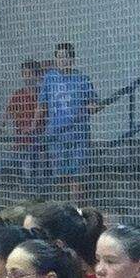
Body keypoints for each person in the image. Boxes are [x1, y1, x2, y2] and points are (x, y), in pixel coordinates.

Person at [38, 42, 99, 198]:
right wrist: (34, 125)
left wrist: (93, 107)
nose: (62, 60)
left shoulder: (82, 79)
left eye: (65, 56)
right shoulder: (49, 78)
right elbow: (42, 104)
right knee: (60, 176)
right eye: (59, 57)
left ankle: (77, 210)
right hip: (56, 134)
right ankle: (64, 209)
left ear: (72, 59)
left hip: (78, 135)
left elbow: (93, 103)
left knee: (77, 175)